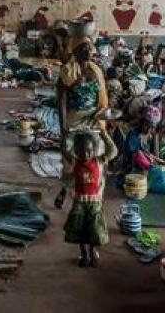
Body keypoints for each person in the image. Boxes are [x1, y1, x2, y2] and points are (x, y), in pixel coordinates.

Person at [55, 37, 109, 209]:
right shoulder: (68, 72)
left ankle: (95, 196)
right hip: (74, 119)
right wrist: (63, 128)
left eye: (90, 47)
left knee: (97, 155)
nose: (89, 50)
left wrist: (105, 117)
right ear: (76, 51)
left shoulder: (97, 71)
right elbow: (61, 101)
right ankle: (65, 187)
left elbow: (102, 98)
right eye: (84, 47)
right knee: (70, 158)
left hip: (94, 119)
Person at [62, 131, 117, 268]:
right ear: (75, 151)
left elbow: (113, 151)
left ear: (94, 150)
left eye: (89, 151)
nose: (86, 154)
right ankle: (84, 253)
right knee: (79, 228)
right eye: (81, 151)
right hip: (79, 202)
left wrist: (104, 134)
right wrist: (68, 135)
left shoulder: (98, 161)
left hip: (95, 202)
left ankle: (92, 251)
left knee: (94, 230)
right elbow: (63, 148)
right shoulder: (74, 162)